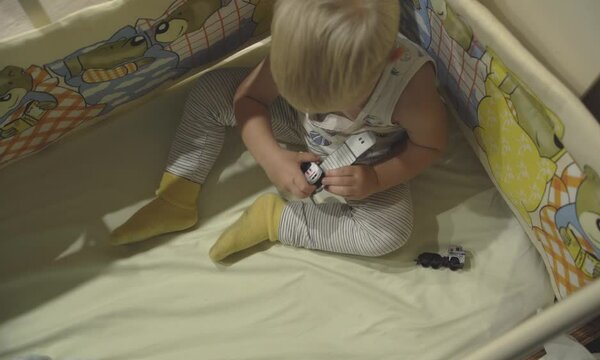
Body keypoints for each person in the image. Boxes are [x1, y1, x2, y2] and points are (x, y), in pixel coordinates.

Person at [111, 0, 447, 262]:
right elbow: (249, 98)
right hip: (299, 124)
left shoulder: (411, 90)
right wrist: (271, 158)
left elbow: (429, 147)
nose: (325, 113)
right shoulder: (299, 49)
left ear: (391, 58)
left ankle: (276, 220)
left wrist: (377, 179)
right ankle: (177, 195)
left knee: (388, 234)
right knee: (211, 89)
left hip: (371, 157)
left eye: (337, 104)